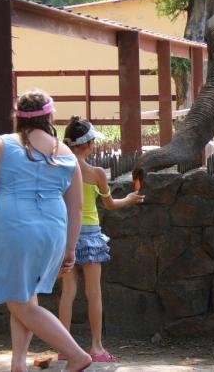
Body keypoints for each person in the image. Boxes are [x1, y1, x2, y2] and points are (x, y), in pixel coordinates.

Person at [0, 89, 92, 372]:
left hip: (15, 228)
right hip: (54, 230)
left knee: (20, 304)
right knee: (25, 295)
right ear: (49, 116)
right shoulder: (66, 154)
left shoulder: (2, 146)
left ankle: (75, 355)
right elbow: (76, 208)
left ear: (18, 117)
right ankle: (19, 364)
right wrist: (70, 248)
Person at [58, 116, 144, 363]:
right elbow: (110, 204)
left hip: (66, 233)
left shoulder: (60, 168)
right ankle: (96, 347)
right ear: (89, 145)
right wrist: (129, 199)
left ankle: (64, 346)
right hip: (91, 235)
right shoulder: (96, 173)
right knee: (93, 291)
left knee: (68, 291)